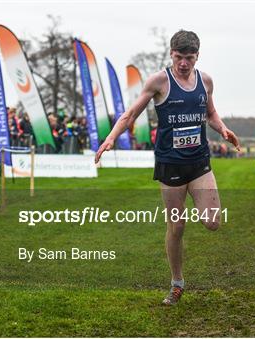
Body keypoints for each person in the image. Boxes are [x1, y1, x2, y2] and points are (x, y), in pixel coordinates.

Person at [94, 30, 240, 306]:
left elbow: (210, 113)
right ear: (171, 54)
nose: (183, 63)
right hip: (170, 164)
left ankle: (179, 274)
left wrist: (223, 129)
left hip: (199, 162)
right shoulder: (159, 81)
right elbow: (131, 114)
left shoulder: (205, 81)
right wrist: (111, 137)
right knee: (177, 226)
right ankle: (177, 282)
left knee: (212, 222)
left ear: (197, 56)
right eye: (178, 57)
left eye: (189, 58)